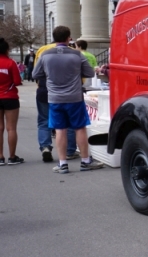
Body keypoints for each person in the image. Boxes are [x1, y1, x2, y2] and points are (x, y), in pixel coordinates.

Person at [32, 26, 104, 173]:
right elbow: (89, 73)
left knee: (60, 130)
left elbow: (35, 74)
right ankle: (85, 161)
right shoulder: (77, 55)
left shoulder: (45, 55)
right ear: (68, 38)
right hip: (74, 97)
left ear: (54, 37)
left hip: (55, 98)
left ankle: (62, 164)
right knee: (80, 128)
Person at [35, 43, 78, 162]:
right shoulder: (72, 52)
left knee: (44, 120)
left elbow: (36, 72)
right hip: (66, 92)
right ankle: (69, 151)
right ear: (67, 38)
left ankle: (45, 147)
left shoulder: (43, 50)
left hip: (44, 90)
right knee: (68, 122)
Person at [0, 37, 24, 165]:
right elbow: (17, 82)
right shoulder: (10, 63)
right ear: (6, 50)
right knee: (11, 128)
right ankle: (12, 157)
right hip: (10, 97)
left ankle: (0, 157)